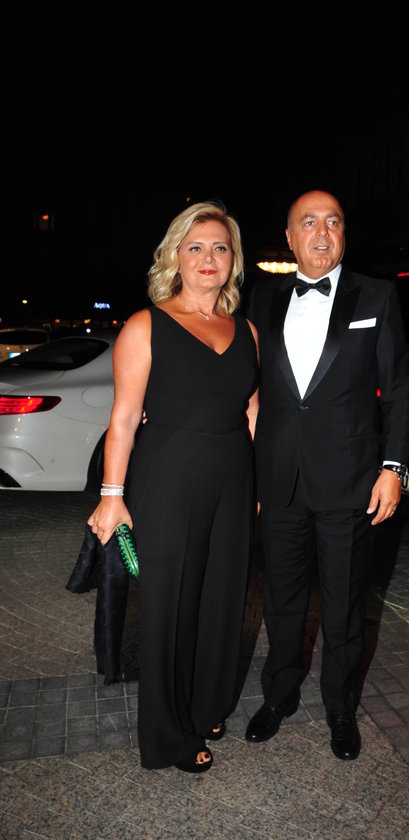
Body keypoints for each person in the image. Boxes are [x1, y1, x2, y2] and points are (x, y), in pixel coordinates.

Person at [88, 200, 259, 774]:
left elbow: (251, 411)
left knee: (222, 600)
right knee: (170, 607)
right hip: (167, 482)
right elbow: (122, 418)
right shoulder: (146, 325)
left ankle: (206, 705)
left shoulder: (246, 330)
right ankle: (167, 736)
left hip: (234, 484)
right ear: (175, 258)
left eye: (220, 247)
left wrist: (256, 483)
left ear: (232, 259)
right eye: (196, 247)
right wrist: (112, 496)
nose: (209, 257)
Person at [245, 190, 409, 761]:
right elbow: (242, 380)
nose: (322, 233)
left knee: (343, 605)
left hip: (350, 482)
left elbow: (400, 391)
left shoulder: (377, 295)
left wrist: (393, 469)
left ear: (344, 233)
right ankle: (280, 694)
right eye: (309, 222)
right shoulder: (262, 299)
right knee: (282, 600)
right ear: (289, 238)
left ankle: (340, 707)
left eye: (333, 222)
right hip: (279, 481)